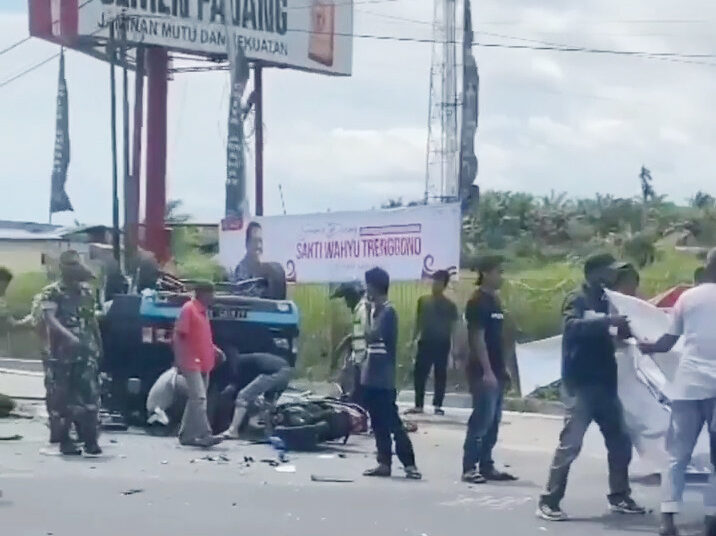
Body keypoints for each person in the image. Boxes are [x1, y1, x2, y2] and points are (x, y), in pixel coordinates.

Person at [537, 253, 645, 521]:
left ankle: (619, 496)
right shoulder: (577, 298)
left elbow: (617, 334)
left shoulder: (610, 300)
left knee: (620, 442)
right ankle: (548, 501)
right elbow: (572, 327)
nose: (612, 276)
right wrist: (607, 322)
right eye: (609, 271)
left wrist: (629, 330)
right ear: (594, 273)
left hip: (606, 382)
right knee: (570, 444)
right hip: (580, 384)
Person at [638, 248, 716, 536]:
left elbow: (668, 341)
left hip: (688, 386)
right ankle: (711, 519)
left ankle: (668, 519)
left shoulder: (688, 298)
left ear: (706, 267)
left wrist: (647, 346)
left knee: (678, 455)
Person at [39, 250, 103, 456]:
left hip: (87, 352)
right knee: (63, 398)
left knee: (90, 396)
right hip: (62, 354)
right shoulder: (52, 292)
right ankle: (65, 440)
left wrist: (99, 343)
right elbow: (50, 319)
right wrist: (69, 336)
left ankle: (90, 440)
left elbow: (91, 320)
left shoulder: (86, 293)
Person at [360, 267, 421, 480]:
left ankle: (409, 464)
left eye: (368, 285)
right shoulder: (379, 311)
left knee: (393, 422)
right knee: (377, 424)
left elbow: (371, 335)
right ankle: (383, 462)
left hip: (383, 379)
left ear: (375, 287)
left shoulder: (387, 312)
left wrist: (367, 312)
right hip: (372, 377)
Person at [461, 256, 517, 484]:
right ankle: (469, 467)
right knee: (481, 420)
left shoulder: (495, 301)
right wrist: (487, 371)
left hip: (496, 368)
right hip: (482, 370)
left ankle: (487, 465)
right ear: (485, 273)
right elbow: (478, 338)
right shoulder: (477, 301)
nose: (501, 276)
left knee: (494, 421)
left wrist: (504, 369)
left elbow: (500, 338)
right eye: (498, 271)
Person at [173, 280, 224, 448]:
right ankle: (205, 434)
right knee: (200, 398)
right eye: (211, 294)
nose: (213, 297)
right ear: (202, 294)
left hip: (204, 362)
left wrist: (215, 350)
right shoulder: (189, 310)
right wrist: (180, 360)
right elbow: (179, 336)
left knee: (195, 399)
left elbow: (202, 337)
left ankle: (186, 435)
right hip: (191, 361)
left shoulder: (203, 312)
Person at [405, 270, 458, 416]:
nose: (436, 285)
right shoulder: (423, 301)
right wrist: (412, 339)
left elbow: (453, 327)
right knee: (419, 373)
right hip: (426, 341)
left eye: (439, 282)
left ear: (444, 285)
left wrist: (454, 349)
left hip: (442, 342)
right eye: (434, 281)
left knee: (440, 374)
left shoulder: (450, 305)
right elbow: (418, 322)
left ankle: (438, 405)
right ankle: (418, 405)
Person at [220, 351, 293, 439]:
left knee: (242, 396)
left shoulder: (238, 362)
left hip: (272, 372)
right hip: (286, 371)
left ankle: (233, 431)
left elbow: (242, 382)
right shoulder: (248, 359)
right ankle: (270, 432)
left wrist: (232, 388)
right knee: (268, 402)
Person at [330, 281, 368, 405]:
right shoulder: (359, 310)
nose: (347, 304)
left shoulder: (363, 310)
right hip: (359, 362)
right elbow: (355, 337)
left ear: (354, 296)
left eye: (347, 298)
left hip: (365, 363)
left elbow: (368, 336)